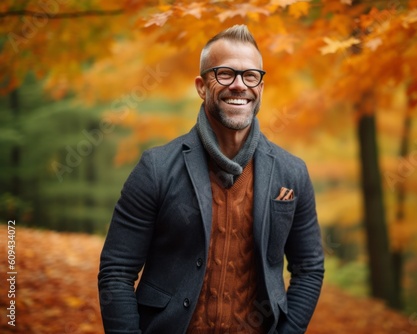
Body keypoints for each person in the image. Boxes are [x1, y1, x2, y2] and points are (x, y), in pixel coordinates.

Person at [98, 24, 324, 334]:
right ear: (202, 86)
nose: (239, 85)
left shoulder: (292, 172)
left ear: (260, 87)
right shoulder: (156, 168)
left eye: (250, 76)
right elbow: (116, 272)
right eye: (225, 74)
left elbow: (309, 269)